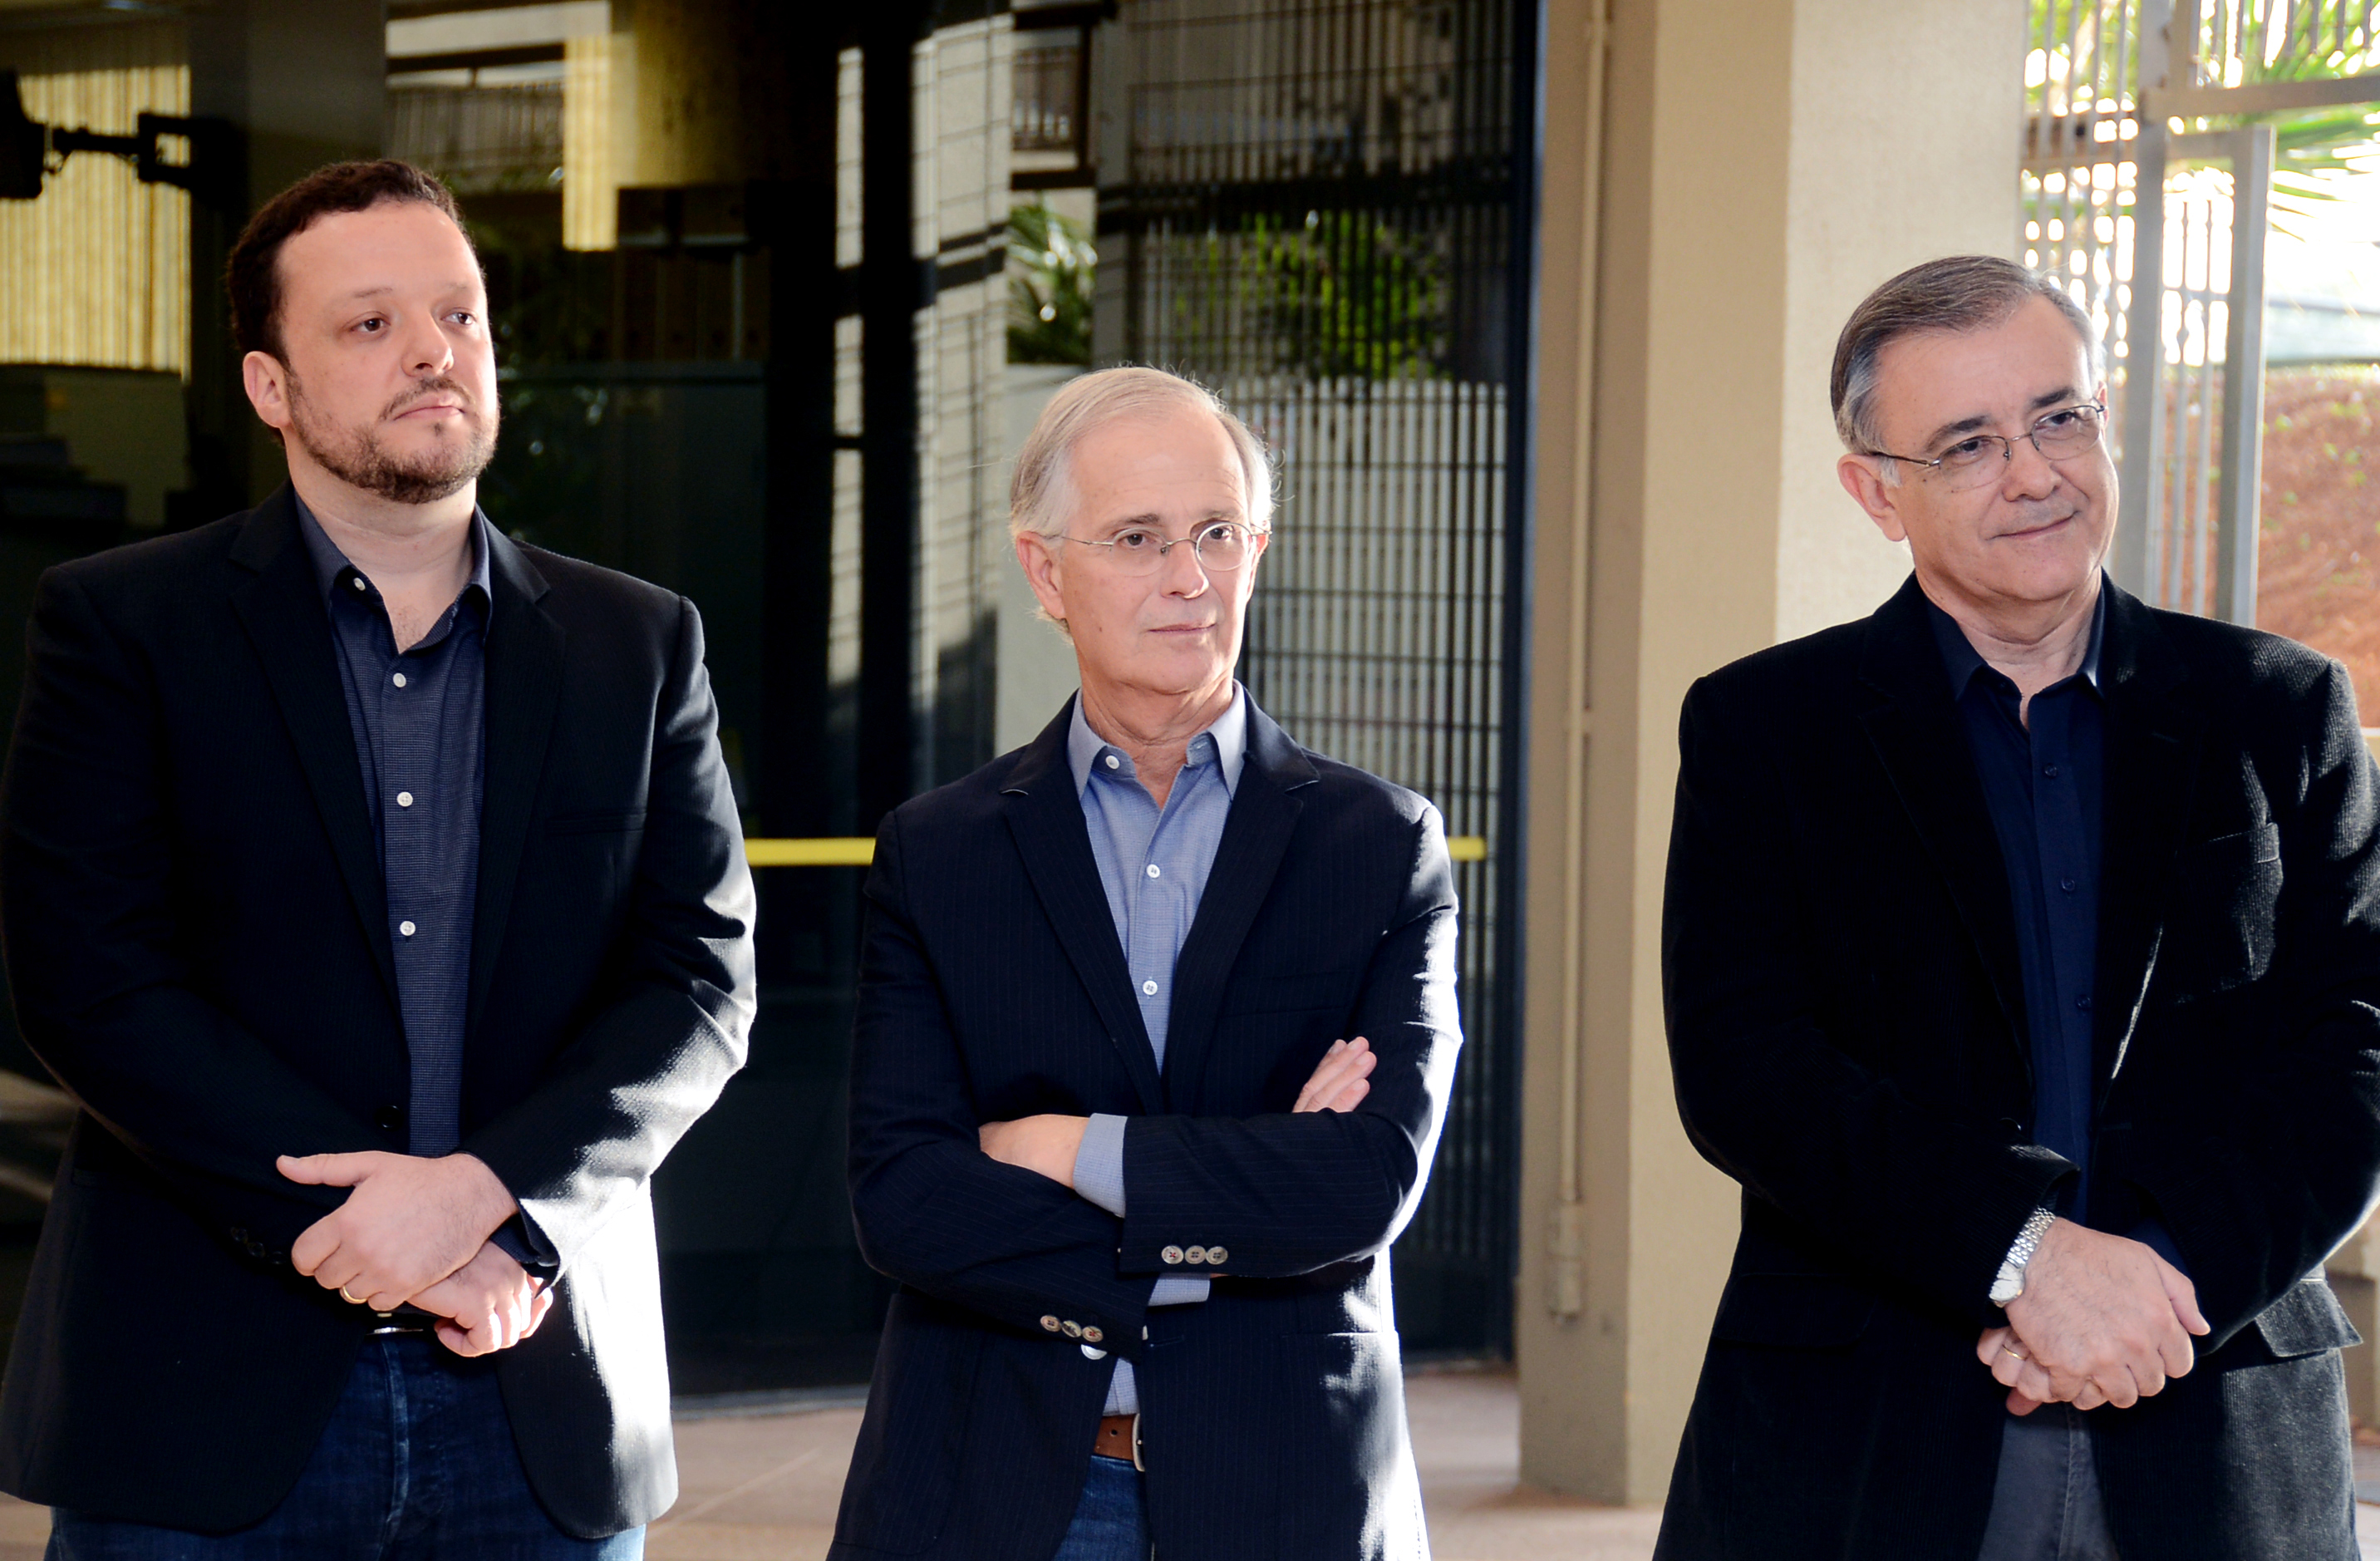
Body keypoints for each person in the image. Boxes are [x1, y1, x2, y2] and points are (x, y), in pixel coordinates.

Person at [0, 160, 755, 1556]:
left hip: (540, 1378)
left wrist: (492, 1197)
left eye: (459, 314)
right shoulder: (124, 628)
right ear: (269, 385)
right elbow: (90, 982)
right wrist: (375, 1228)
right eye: (369, 323)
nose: (432, 350)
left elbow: (702, 983)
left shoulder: (637, 643)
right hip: (201, 1399)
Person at [1655, 253, 2380, 1560]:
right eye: (1969, 444)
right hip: (1874, 1425)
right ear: (1876, 492)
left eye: (2059, 417)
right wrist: (2027, 1255)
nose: (2035, 473)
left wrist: (2157, 1288)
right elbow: (1747, 1067)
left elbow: (2355, 1051)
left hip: (2212, 1410)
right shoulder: (1767, 729)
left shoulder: (2278, 709)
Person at [831, 367, 1461, 1561]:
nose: (1190, 577)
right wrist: (1238, 1207)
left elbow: (1364, 1181)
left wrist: (1070, 1151)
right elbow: (905, 1199)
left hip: (1288, 1489)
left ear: (1256, 553)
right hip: (995, 1489)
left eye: (1218, 532)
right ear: (1045, 572)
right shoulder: (941, 853)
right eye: (1138, 538)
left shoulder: (1379, 846)